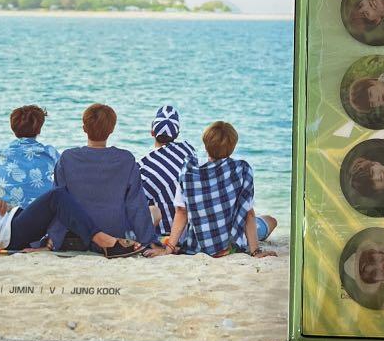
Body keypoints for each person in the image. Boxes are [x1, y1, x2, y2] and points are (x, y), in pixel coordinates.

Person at [0, 137, 124, 253]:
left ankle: (82, 240)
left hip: (10, 226)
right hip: (11, 232)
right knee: (58, 196)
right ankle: (103, 240)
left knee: (60, 204)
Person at [46, 103, 161, 254]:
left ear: (84, 128)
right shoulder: (125, 159)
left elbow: (58, 202)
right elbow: (136, 205)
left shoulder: (67, 158)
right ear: (111, 129)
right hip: (114, 235)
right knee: (155, 212)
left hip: (76, 235)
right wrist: (149, 241)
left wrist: (53, 238)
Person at [163, 121, 276, 258]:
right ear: (232, 147)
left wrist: (168, 249)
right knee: (271, 221)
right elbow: (248, 214)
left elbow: (181, 212)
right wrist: (255, 251)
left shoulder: (189, 171)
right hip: (231, 245)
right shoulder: (241, 170)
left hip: (196, 247)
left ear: (206, 145)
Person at [0, 105, 60, 208]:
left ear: (13, 129)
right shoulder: (49, 152)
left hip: (5, 211)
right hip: (40, 209)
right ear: (39, 130)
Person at [138, 105, 197, 236]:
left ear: (152, 132)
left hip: (165, 234)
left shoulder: (144, 168)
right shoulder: (189, 151)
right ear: (177, 134)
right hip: (191, 231)